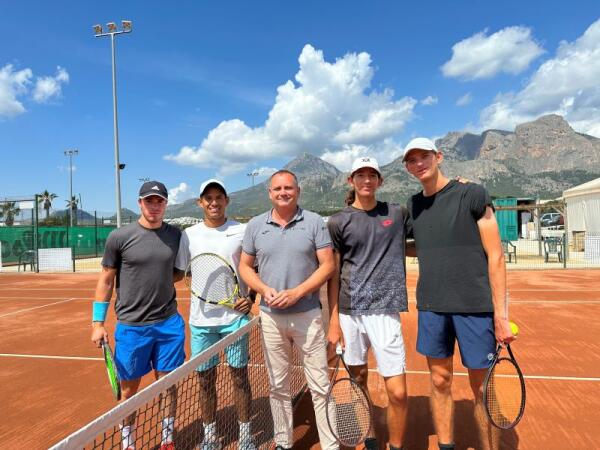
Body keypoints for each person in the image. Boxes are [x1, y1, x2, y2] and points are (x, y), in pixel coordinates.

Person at [402, 138, 515, 450]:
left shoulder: (472, 194)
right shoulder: (414, 205)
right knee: (439, 382)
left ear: (438, 156)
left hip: (475, 308)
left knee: (481, 388)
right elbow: (421, 244)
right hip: (432, 307)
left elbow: (496, 256)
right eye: (411, 160)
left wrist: (501, 315)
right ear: (408, 167)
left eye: (424, 156)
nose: (419, 163)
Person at [238, 170, 338, 450]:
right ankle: (283, 441)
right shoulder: (256, 225)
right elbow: (245, 266)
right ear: (269, 193)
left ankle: (330, 445)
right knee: (278, 386)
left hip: (308, 316)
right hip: (270, 318)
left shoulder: (315, 222)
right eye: (278, 188)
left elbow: (328, 265)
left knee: (319, 384)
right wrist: (262, 288)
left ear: (298, 191)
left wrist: (298, 292)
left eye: (289, 188)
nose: (283, 192)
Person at [91, 181, 185, 450]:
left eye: (159, 201)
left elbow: (177, 272)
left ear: (166, 204)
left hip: (169, 325)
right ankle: (128, 443)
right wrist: (98, 323)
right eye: (149, 201)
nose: (154, 206)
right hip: (132, 328)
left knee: (168, 385)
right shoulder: (119, 237)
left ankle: (167, 440)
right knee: (129, 391)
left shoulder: (176, 236)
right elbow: (106, 280)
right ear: (140, 203)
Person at [327, 157, 410, 450]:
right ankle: (372, 438)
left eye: (371, 175)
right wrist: (334, 320)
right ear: (351, 181)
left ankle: (396, 446)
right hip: (350, 313)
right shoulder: (338, 221)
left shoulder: (397, 213)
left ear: (379, 181)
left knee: (398, 393)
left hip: (386, 311)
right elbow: (334, 274)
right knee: (359, 380)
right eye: (360, 175)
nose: (366, 180)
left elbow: (427, 221)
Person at [174, 179, 255, 450]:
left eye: (219, 197)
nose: (214, 202)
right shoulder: (189, 235)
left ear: (226, 200)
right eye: (208, 198)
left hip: (234, 321)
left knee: (240, 378)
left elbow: (254, 268)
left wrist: (251, 298)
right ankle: (210, 436)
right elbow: (180, 272)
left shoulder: (242, 231)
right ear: (200, 202)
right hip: (201, 324)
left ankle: (245, 435)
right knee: (205, 382)